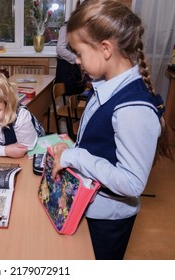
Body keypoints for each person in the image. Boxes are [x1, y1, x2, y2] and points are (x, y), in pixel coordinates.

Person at [50, 0, 172, 260]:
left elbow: (131, 183)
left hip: (107, 218)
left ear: (105, 48)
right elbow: (101, 145)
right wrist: (72, 149)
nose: (77, 60)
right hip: (90, 205)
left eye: (79, 53)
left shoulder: (133, 109)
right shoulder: (105, 84)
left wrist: (77, 157)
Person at [54, 0, 85, 96]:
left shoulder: (82, 27)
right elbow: (60, 49)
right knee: (68, 97)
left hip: (75, 69)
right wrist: (76, 59)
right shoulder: (67, 27)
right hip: (67, 68)